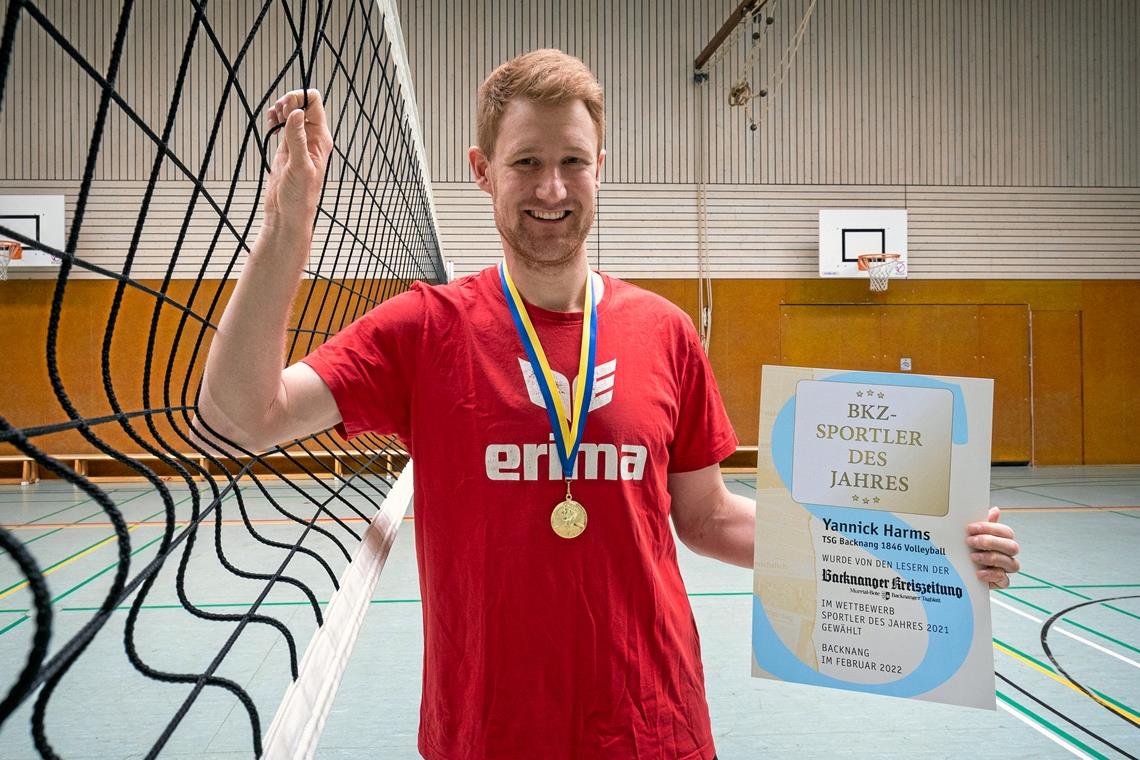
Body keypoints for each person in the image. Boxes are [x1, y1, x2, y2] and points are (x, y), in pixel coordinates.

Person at [197, 49, 1020, 760]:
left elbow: (708, 518)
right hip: (487, 730)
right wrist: (290, 212)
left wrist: (926, 549)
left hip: (651, 726)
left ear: (602, 166)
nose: (551, 188)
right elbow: (242, 417)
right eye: (524, 162)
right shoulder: (425, 329)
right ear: (482, 170)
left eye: (573, 161)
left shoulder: (663, 332)